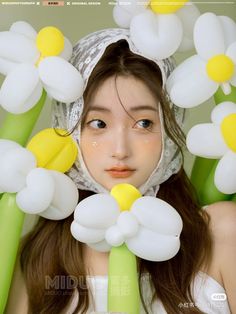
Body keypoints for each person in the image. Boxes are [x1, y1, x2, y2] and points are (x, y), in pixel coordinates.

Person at [6, 28, 236, 314]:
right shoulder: (39, 253)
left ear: (170, 126)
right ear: (72, 126)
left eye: (143, 123)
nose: (120, 150)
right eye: (98, 124)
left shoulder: (222, 231)